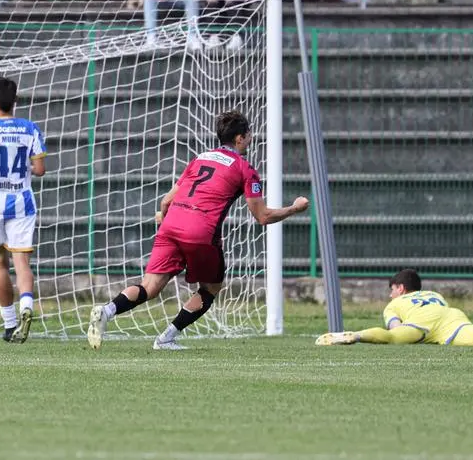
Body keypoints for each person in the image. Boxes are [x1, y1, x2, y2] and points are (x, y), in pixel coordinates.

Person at [87, 110, 309, 350]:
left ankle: (107, 311)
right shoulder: (245, 168)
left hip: (171, 225)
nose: (251, 138)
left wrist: (166, 223)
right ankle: (166, 338)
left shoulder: (200, 158)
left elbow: (165, 203)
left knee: (148, 287)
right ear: (239, 139)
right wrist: (294, 209)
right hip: (200, 231)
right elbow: (263, 217)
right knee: (211, 288)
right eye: (248, 135)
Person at [0, 77, 46, 343]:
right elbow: (39, 170)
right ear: (15, 102)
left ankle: (9, 324)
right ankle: (27, 306)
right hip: (22, 201)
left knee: (0, 263)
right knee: (21, 261)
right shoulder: (30, 128)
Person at [315, 269, 473, 347]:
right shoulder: (434, 294)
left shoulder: (395, 303)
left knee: (391, 338)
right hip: (451, 317)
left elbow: (395, 328)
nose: (390, 294)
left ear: (401, 288)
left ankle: (355, 336)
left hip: (421, 323)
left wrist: (398, 330)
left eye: (392, 289)